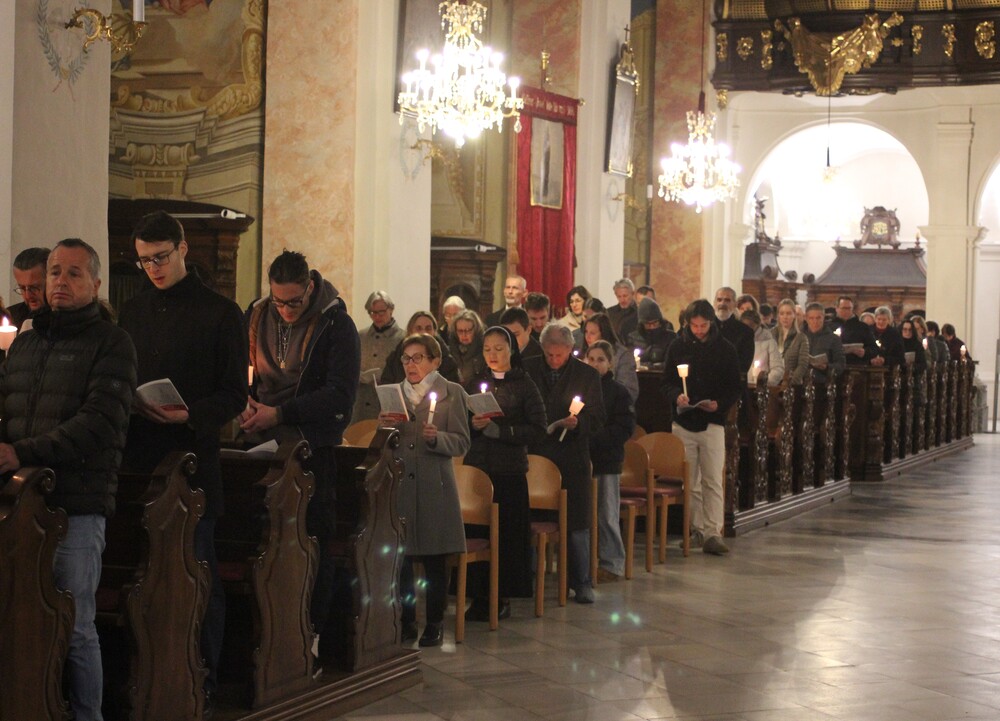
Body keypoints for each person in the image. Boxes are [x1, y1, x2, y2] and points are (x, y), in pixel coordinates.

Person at [0, 238, 137, 721]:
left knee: (75, 625)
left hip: (76, 506)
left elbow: (98, 424)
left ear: (95, 284)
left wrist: (21, 452)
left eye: (73, 273)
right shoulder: (26, 342)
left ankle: (86, 715)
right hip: (19, 505)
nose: (60, 281)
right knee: (18, 620)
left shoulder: (112, 343)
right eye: (55, 271)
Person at [119, 211, 248, 708]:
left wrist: (191, 414)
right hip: (140, 462)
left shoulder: (221, 312)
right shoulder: (133, 311)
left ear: (182, 249)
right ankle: (148, 675)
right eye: (144, 260)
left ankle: (204, 678)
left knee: (199, 576)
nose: (153, 268)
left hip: (194, 464)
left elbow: (235, 394)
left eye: (161, 257)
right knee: (145, 579)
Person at [240, 250, 361, 661]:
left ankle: (311, 634)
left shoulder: (336, 325)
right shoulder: (257, 315)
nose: (286, 310)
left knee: (313, 541)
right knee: (261, 539)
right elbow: (240, 372)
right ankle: (263, 638)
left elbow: (339, 395)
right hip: (261, 444)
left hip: (312, 449)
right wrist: (245, 403)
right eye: (279, 301)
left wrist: (281, 413)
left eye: (294, 301)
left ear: (310, 287)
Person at [380, 333, 470, 647]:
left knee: (435, 558)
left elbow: (462, 442)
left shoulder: (452, 392)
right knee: (402, 558)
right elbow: (385, 442)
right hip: (403, 485)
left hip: (435, 486)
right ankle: (406, 620)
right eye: (406, 358)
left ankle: (434, 623)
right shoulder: (395, 393)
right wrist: (384, 426)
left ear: (435, 361)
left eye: (418, 358)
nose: (411, 365)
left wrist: (437, 438)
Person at [463, 326, 546, 622]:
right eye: (487, 349)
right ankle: (477, 594)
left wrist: (501, 431)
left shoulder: (525, 385)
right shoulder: (475, 382)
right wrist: (473, 425)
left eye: (499, 349)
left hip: (508, 472)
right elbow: (461, 422)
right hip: (479, 470)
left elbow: (538, 429)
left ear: (511, 350)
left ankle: (502, 595)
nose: (493, 355)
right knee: (477, 533)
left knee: (506, 536)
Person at [525, 324, 605, 603]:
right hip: (536, 458)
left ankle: (581, 582)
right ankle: (527, 578)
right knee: (529, 520)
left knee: (576, 525)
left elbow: (597, 417)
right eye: (549, 354)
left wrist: (578, 423)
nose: (554, 360)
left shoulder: (586, 375)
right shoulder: (528, 369)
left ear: (570, 350)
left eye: (559, 355)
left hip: (571, 459)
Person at [661, 299, 741, 556]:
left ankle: (713, 533)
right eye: (694, 325)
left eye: (703, 325)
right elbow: (667, 381)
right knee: (690, 482)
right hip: (683, 422)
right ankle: (696, 530)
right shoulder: (677, 346)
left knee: (712, 480)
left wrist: (719, 404)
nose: (698, 330)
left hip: (712, 422)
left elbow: (734, 386)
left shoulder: (725, 349)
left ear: (711, 322)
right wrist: (676, 396)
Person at [584, 340, 635, 582]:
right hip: (584, 460)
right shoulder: (581, 388)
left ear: (610, 363)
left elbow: (625, 427)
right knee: (585, 514)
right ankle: (585, 562)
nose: (595, 364)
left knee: (606, 513)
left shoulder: (618, 392)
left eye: (600, 360)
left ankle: (612, 563)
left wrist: (595, 437)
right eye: (591, 359)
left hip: (607, 460)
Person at [352, 290, 404, 421]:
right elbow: (350, 363)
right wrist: (359, 375)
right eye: (372, 312)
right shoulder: (361, 336)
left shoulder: (402, 338)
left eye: (381, 312)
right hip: (361, 399)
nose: (377, 316)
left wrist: (385, 375)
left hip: (386, 399)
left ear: (391, 310)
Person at [381, 311, 459, 384]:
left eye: (428, 328)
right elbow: (386, 385)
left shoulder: (446, 360)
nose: (423, 332)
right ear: (410, 331)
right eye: (418, 328)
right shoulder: (395, 358)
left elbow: (450, 388)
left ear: (434, 332)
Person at [582, 312, 639, 401]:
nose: (587, 337)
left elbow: (629, 392)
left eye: (592, 333)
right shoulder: (587, 354)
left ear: (604, 334)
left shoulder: (622, 356)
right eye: (586, 332)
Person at [626, 297, 676, 370]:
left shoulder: (671, 337)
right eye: (648, 324)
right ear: (642, 324)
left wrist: (651, 367)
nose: (652, 327)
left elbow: (673, 362)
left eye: (655, 323)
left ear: (660, 321)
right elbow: (629, 362)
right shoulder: (633, 338)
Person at [714, 286, 755, 374]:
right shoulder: (705, 328)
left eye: (727, 300)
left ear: (735, 304)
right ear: (714, 303)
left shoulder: (745, 332)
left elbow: (744, 365)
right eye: (719, 300)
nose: (722, 303)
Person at [802, 302, 846, 383]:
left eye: (818, 318)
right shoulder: (799, 337)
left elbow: (841, 365)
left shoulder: (833, 339)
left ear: (823, 318)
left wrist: (826, 367)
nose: (815, 321)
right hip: (800, 381)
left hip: (822, 382)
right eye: (811, 318)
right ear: (806, 318)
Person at [8, 246, 49, 329]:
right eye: (22, 288)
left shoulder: (67, 321)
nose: (28, 295)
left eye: (34, 288)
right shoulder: (10, 317)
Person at [771, 298, 810, 385]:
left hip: (792, 384)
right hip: (772, 383)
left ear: (794, 315)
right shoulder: (771, 335)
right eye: (782, 313)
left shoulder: (801, 338)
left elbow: (802, 364)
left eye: (788, 313)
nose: (785, 317)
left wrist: (789, 382)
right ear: (778, 316)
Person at [741, 309, 783, 386]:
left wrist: (764, 383)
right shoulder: (739, 342)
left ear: (757, 325)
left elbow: (778, 368)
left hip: (761, 388)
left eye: (750, 326)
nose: (747, 330)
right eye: (744, 327)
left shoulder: (769, 342)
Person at [830, 296, 877, 366]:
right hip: (834, 366)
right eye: (844, 308)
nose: (846, 311)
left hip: (856, 366)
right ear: (837, 309)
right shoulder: (829, 327)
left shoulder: (862, 327)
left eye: (849, 308)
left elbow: (874, 349)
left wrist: (865, 352)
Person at [448, 308, 486, 383]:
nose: (464, 335)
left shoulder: (484, 349)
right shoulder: (451, 351)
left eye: (468, 330)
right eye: (460, 331)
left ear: (476, 329)